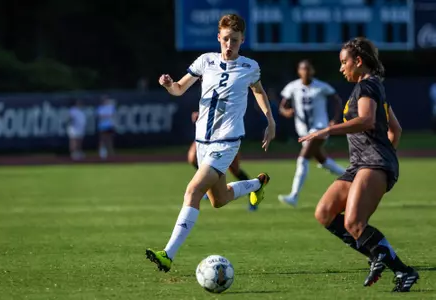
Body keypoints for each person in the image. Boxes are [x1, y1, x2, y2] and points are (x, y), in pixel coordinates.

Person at [146, 14, 276, 272]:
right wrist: (169, 85)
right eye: (226, 39)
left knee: (192, 191)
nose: (230, 45)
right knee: (219, 199)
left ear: (242, 41)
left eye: (235, 41)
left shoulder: (249, 67)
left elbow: (258, 91)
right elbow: (180, 89)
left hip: (226, 142)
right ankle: (256, 185)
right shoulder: (205, 61)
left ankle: (168, 254)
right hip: (203, 141)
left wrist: (270, 121)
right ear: (219, 37)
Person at [299, 37, 418, 292]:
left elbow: (366, 121)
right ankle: (390, 263)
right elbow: (395, 129)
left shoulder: (367, 87)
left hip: (372, 163)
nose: (342, 68)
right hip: (362, 164)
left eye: (344, 62)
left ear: (359, 61)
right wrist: (386, 153)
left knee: (353, 222)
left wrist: (328, 130)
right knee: (325, 212)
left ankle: (394, 265)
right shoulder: (371, 87)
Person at [277, 60, 346, 207]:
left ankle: (294, 196)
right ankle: (349, 175)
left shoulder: (321, 86)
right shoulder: (293, 86)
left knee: (303, 159)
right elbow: (282, 106)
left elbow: (337, 100)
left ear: (313, 71)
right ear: (299, 71)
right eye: (303, 69)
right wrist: (286, 111)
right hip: (303, 130)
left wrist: (334, 119)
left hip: (320, 128)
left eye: (309, 69)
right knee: (322, 160)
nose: (306, 72)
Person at [187, 111, 258, 211]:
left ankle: (254, 189)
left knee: (234, 169)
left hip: (225, 133)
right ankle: (209, 185)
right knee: (193, 158)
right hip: (207, 132)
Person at [96, 95, 116, 159]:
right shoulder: (100, 108)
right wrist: (107, 116)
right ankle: (102, 153)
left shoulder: (111, 107)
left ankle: (110, 152)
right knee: (103, 139)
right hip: (102, 126)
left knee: (109, 139)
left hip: (109, 125)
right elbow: (100, 116)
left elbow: (113, 115)